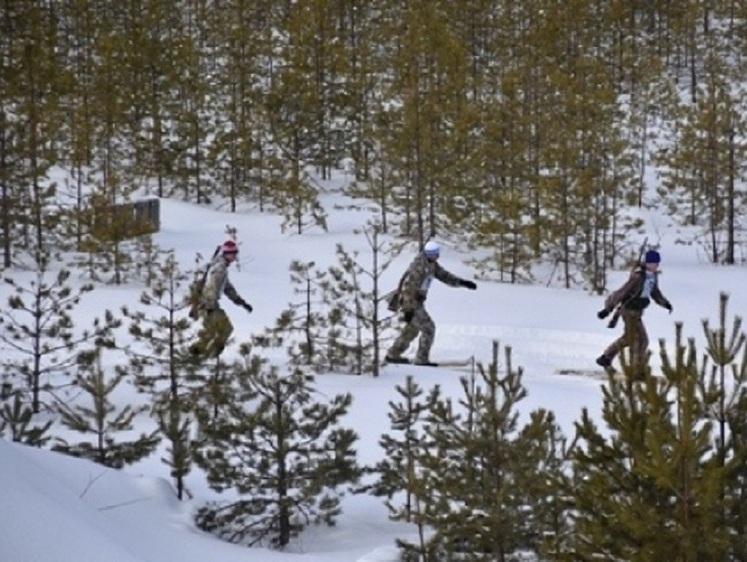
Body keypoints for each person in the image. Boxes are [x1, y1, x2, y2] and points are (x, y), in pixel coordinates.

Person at [385, 240, 477, 366]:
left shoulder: (431, 264)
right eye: (435, 254)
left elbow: (444, 276)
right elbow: (407, 289)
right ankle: (421, 359)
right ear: (429, 254)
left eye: (437, 254)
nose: (437, 256)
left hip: (416, 303)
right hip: (410, 303)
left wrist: (463, 283)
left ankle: (393, 354)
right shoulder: (418, 268)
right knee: (429, 328)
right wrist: (408, 310)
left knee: (412, 329)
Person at [595, 249, 673, 378]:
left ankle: (606, 358)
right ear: (646, 262)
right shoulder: (638, 276)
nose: (654, 265)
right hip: (628, 311)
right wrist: (608, 309)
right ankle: (637, 371)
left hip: (637, 312)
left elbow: (654, 293)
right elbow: (623, 292)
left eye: (656, 263)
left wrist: (665, 303)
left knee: (628, 338)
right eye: (652, 263)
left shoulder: (652, 276)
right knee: (641, 340)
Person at [189, 240, 253, 359]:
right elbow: (211, 286)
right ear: (227, 254)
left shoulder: (219, 266)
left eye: (235, 253)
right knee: (225, 328)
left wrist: (240, 302)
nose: (234, 256)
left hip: (207, 304)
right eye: (233, 253)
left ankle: (196, 353)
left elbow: (227, 287)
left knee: (212, 331)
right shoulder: (219, 268)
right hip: (208, 304)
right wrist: (207, 306)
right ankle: (209, 355)